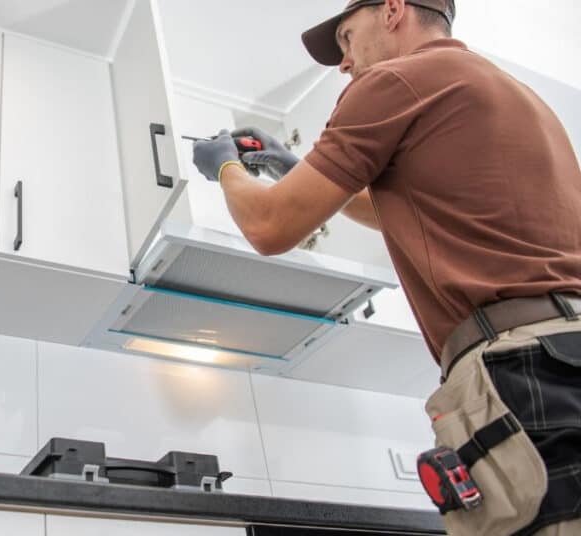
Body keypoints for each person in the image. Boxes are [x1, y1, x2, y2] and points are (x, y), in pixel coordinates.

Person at [191, 0, 581, 534]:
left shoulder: (397, 80)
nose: (344, 64)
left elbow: (269, 225)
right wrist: (294, 165)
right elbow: (409, 211)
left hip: (523, 370)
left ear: (393, 9)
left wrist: (226, 167)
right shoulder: (515, 95)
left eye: (347, 39)